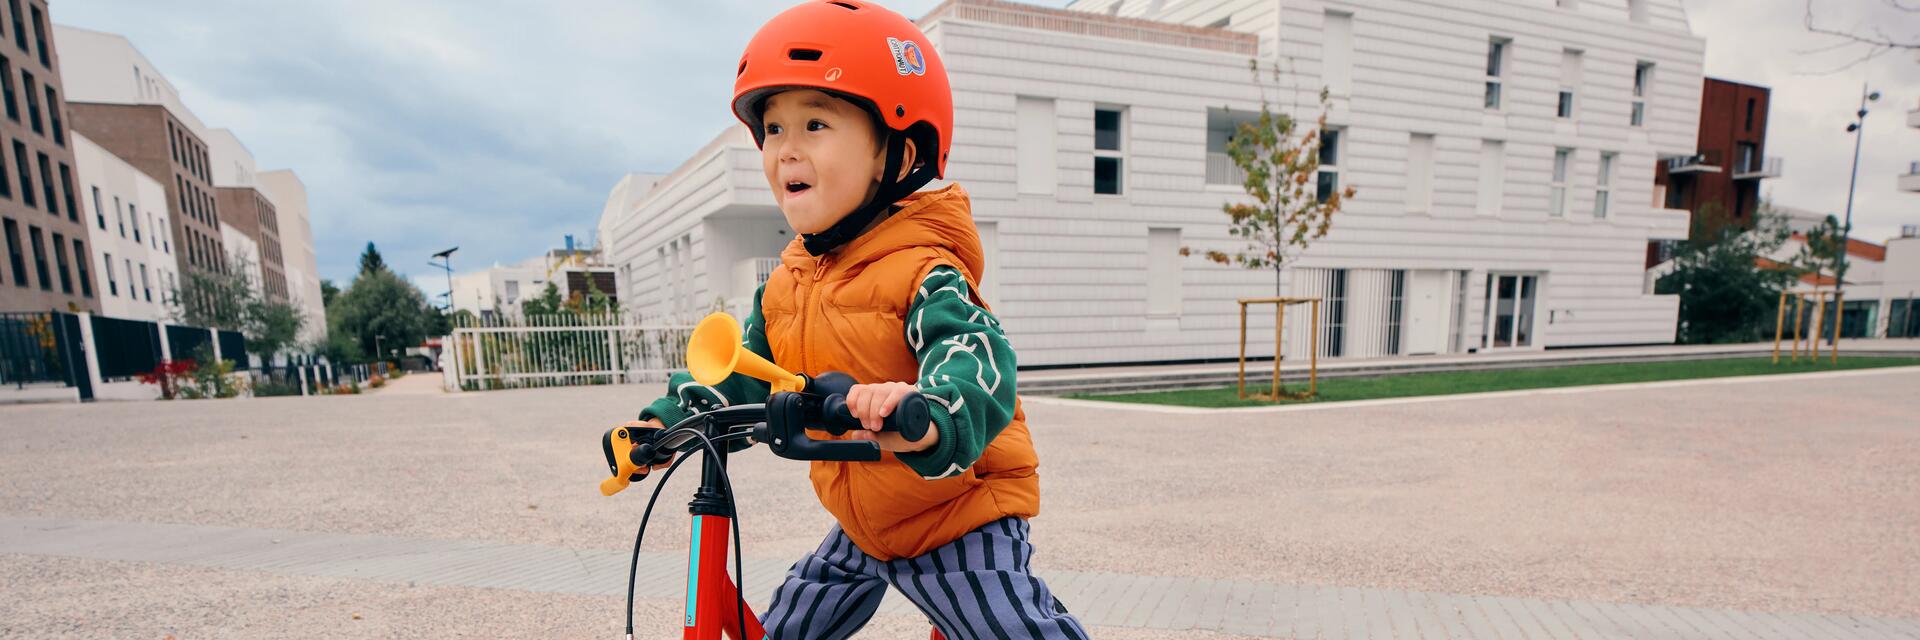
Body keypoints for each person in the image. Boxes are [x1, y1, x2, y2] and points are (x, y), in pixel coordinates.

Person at [628, 1, 1088, 638]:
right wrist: (665, 422)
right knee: (785, 628)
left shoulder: (925, 270)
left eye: (815, 124)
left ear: (893, 155)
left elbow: (977, 359)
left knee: (1011, 629)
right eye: (774, 129)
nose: (786, 150)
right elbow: (740, 376)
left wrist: (928, 413)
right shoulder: (785, 288)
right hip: (864, 526)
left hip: (957, 512)